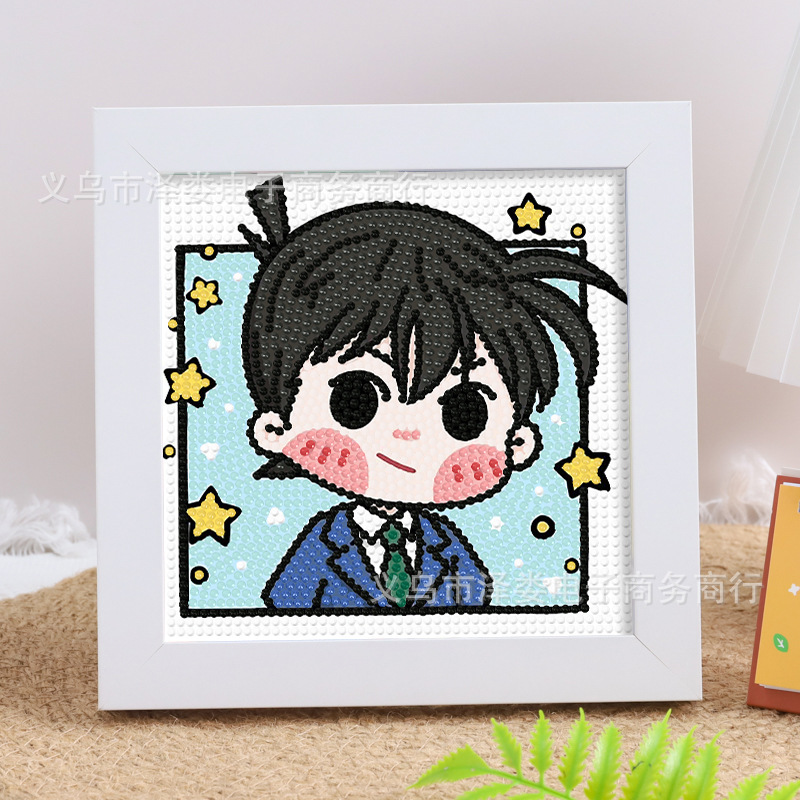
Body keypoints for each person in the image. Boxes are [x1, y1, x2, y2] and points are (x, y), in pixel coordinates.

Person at [239, 177, 626, 612]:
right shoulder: (321, 548)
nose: (407, 435)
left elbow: (476, 612)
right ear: (275, 427)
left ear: (516, 443)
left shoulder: (447, 548)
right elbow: (285, 617)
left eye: (465, 413)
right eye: (356, 401)